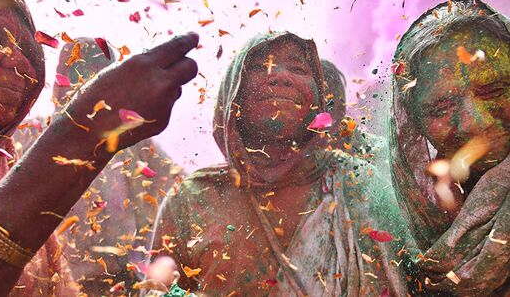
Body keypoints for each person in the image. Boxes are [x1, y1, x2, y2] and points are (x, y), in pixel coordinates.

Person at [0, 0, 198, 296]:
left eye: (27, 51)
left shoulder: (129, 144)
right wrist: (85, 132)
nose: (19, 62)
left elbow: (173, 199)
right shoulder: (39, 139)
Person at [151, 32, 410, 296]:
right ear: (232, 96)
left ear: (320, 102)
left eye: (298, 68)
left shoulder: (361, 183)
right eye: (262, 67)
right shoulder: (193, 199)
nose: (282, 76)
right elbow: (155, 290)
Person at [13, 38, 185, 294]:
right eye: (77, 72)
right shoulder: (30, 135)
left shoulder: (132, 141)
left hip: (119, 282)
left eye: (97, 74)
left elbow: (178, 199)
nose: (85, 84)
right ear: (59, 83)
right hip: (44, 282)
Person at [390, 0, 510, 295]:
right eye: (441, 108)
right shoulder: (393, 219)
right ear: (412, 124)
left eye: (495, 89)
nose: (475, 123)